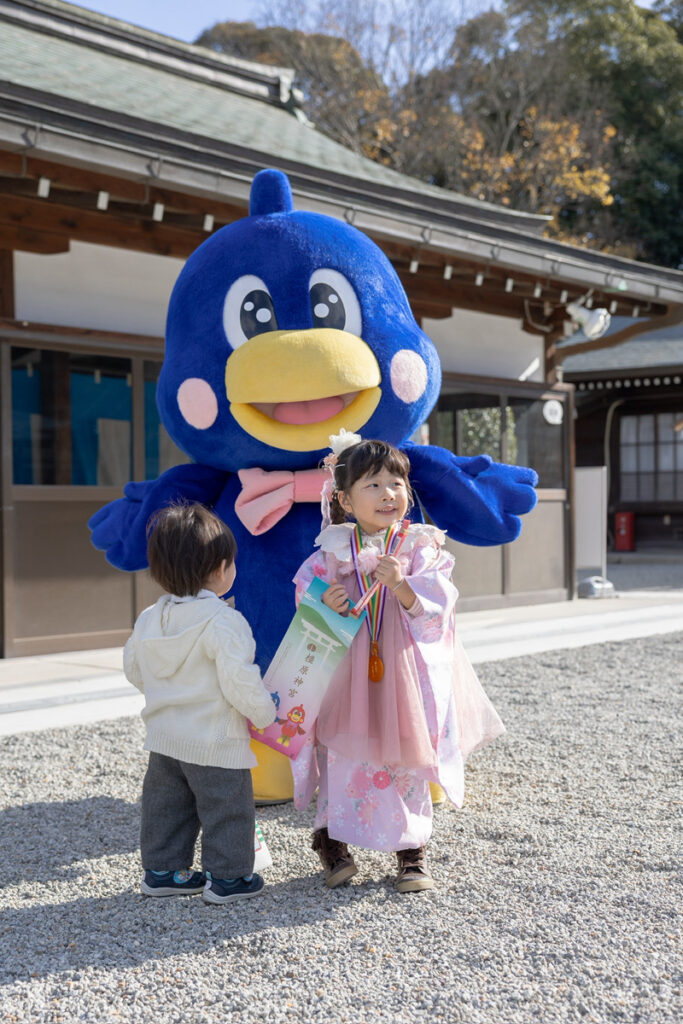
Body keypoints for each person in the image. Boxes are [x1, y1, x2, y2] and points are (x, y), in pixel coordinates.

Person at [291, 435, 505, 893]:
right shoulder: (333, 549)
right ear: (345, 500)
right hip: (348, 671)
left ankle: (411, 850)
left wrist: (404, 586)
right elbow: (305, 594)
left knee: (407, 752)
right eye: (373, 485)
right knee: (343, 753)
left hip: (402, 673)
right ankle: (331, 840)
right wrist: (322, 599)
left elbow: (440, 604)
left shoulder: (418, 545)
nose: (389, 493)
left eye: (397, 482)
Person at [123, 502, 276, 904]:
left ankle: (162, 871)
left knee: (166, 805)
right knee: (227, 806)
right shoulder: (223, 621)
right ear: (221, 567)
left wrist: (163, 694)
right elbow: (239, 679)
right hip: (214, 738)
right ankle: (228, 877)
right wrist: (264, 713)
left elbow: (133, 669)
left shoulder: (148, 618)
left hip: (164, 736)